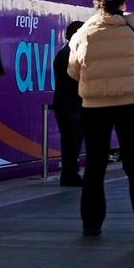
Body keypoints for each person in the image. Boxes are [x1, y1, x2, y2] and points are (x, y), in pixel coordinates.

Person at [66, 0, 134, 240]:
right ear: (123, 2)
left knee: (95, 165)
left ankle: (91, 223)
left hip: (94, 108)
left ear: (97, 2)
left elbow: (73, 71)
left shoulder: (84, 32)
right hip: (133, 104)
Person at [53, 20, 85, 187]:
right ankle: (69, 175)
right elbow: (75, 81)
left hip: (71, 106)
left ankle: (71, 173)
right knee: (71, 142)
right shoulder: (68, 55)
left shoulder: (68, 53)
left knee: (73, 142)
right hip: (69, 106)